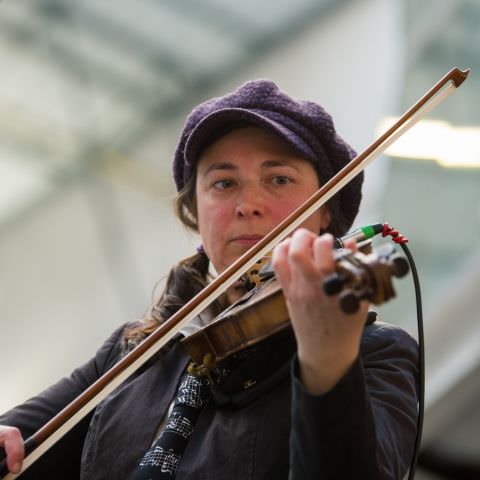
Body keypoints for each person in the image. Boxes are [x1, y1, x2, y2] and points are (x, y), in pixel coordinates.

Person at [0, 79, 419, 480]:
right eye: (223, 183)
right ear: (195, 212)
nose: (248, 204)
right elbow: (18, 441)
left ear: (326, 210)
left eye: (279, 179)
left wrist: (328, 363)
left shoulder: (376, 355)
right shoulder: (133, 351)